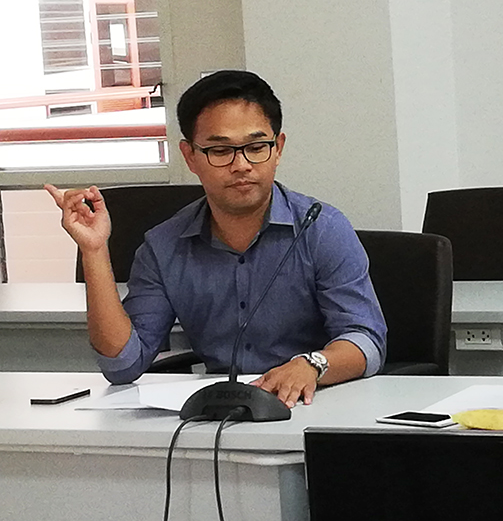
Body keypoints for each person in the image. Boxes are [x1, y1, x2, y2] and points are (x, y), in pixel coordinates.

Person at [46, 70, 387, 407]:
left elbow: (367, 340)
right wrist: (94, 249)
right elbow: (123, 365)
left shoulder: (322, 229)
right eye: (221, 151)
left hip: (315, 405)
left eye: (256, 147)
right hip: (218, 415)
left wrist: (312, 364)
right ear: (190, 157)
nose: (241, 165)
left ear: (278, 148)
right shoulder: (164, 246)